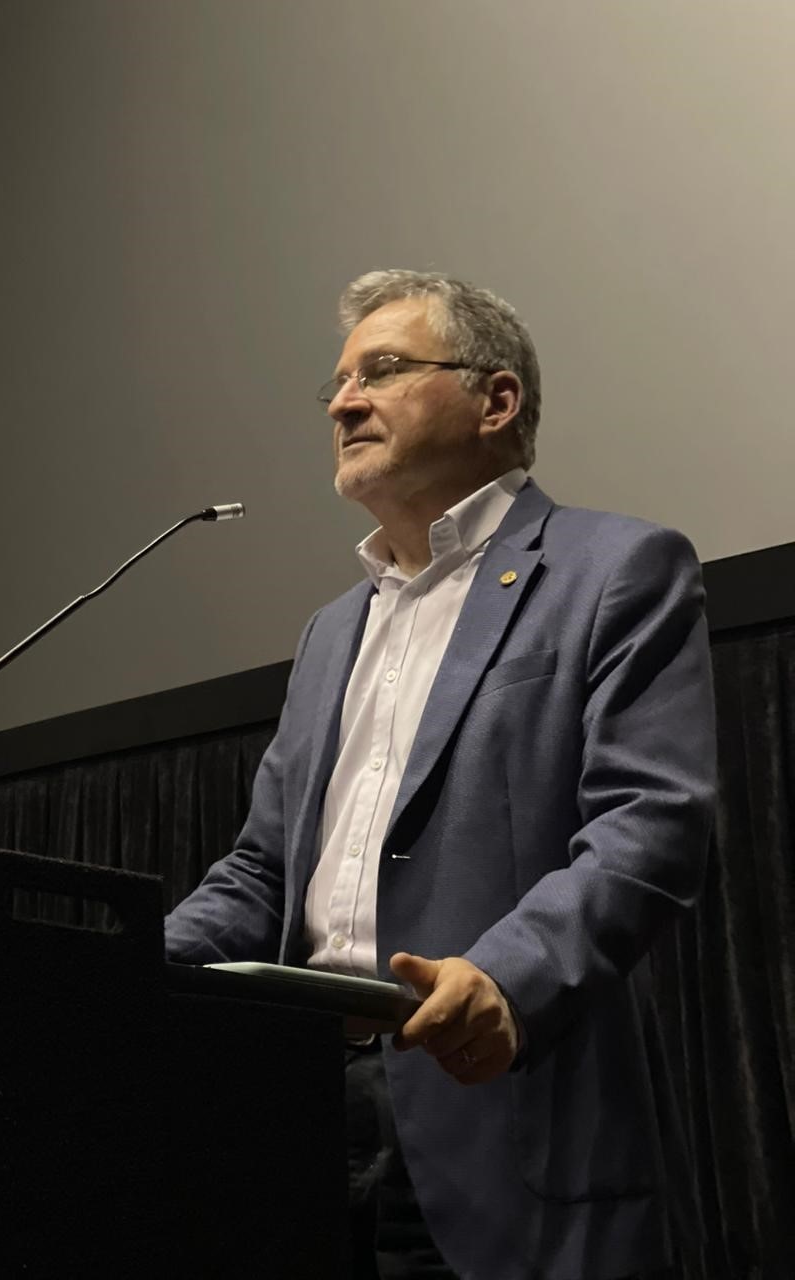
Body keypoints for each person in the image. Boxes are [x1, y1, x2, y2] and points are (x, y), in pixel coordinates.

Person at [164, 270, 717, 1280]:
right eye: (337, 383)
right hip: (295, 1117)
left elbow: (651, 823)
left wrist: (507, 976)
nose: (343, 404)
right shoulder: (331, 632)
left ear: (495, 400)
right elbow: (262, 872)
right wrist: (120, 973)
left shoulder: (615, 570)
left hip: (493, 1105)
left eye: (381, 371)